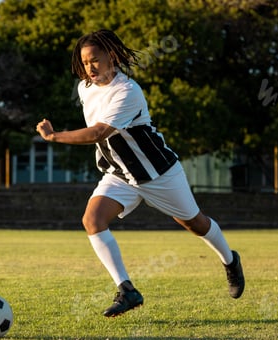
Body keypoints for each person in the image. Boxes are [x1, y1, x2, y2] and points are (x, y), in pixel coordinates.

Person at [36, 29, 245, 318]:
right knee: (92, 220)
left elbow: (99, 132)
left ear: (111, 56)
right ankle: (127, 290)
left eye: (95, 60)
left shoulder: (128, 91)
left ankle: (230, 260)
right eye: (85, 62)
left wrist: (56, 137)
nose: (90, 68)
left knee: (195, 223)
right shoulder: (85, 88)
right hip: (120, 175)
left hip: (158, 173)